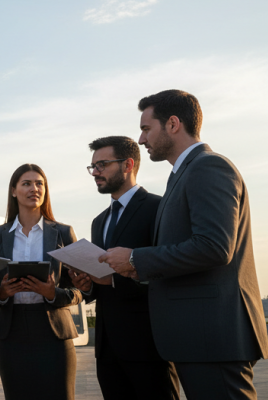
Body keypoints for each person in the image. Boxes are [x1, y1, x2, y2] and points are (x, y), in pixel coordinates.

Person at [100, 90, 268, 400]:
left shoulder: (209, 167)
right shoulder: (181, 176)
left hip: (213, 337)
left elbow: (215, 247)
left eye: (146, 128)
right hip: (197, 338)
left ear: (173, 124)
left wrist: (137, 258)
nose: (140, 139)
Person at [69, 136, 179, 399]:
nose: (95, 172)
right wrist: (87, 286)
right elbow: (102, 282)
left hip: (149, 345)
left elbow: (170, 270)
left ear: (128, 164)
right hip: (107, 349)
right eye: (93, 166)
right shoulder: (100, 221)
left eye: (102, 165)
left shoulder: (159, 208)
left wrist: (116, 280)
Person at [0, 163, 82, 400]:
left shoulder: (63, 232)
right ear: (13, 190)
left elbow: (80, 290)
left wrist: (52, 293)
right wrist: (3, 293)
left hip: (54, 332)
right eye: (26, 183)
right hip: (12, 332)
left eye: (40, 184)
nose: (34, 189)